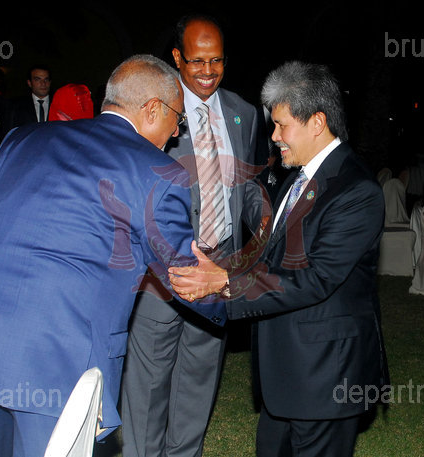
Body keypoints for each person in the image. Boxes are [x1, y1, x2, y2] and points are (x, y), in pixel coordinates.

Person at [0, 54, 226, 457]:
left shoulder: (21, 139)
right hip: (57, 364)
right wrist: (230, 291)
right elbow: (186, 277)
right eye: (177, 119)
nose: (176, 132)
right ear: (152, 109)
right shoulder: (158, 172)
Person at [169, 61, 389, 457]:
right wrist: (223, 269)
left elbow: (315, 279)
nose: (273, 137)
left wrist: (225, 285)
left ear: (317, 122)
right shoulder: (298, 177)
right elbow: (274, 259)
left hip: (326, 377)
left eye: (281, 125)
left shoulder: (356, 191)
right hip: (288, 374)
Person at [121, 14, 268, 457]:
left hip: (219, 266)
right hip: (162, 268)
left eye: (216, 61)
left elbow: (245, 183)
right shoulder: (155, 110)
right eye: (197, 61)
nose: (208, 71)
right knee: (148, 384)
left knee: (199, 380)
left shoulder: (243, 113)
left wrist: (266, 218)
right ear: (177, 58)